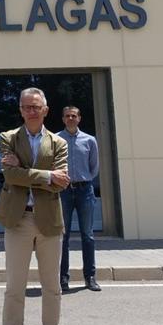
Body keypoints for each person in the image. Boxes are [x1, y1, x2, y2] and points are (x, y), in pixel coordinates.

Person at [0, 88, 73, 325]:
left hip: (49, 220)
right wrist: (47, 176)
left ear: (45, 110)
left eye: (35, 107)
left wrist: (28, 172)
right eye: (26, 107)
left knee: (52, 287)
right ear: (20, 110)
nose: (31, 111)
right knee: (15, 287)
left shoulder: (59, 143)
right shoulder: (8, 138)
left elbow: (60, 182)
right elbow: (10, 175)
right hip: (18, 219)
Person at [57, 106, 99, 293]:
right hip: (63, 191)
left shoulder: (89, 140)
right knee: (62, 236)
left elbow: (94, 166)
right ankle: (62, 279)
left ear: (79, 118)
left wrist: (84, 179)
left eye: (74, 115)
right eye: (67, 116)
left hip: (85, 190)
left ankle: (90, 277)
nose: (71, 118)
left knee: (87, 235)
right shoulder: (56, 139)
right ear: (63, 119)